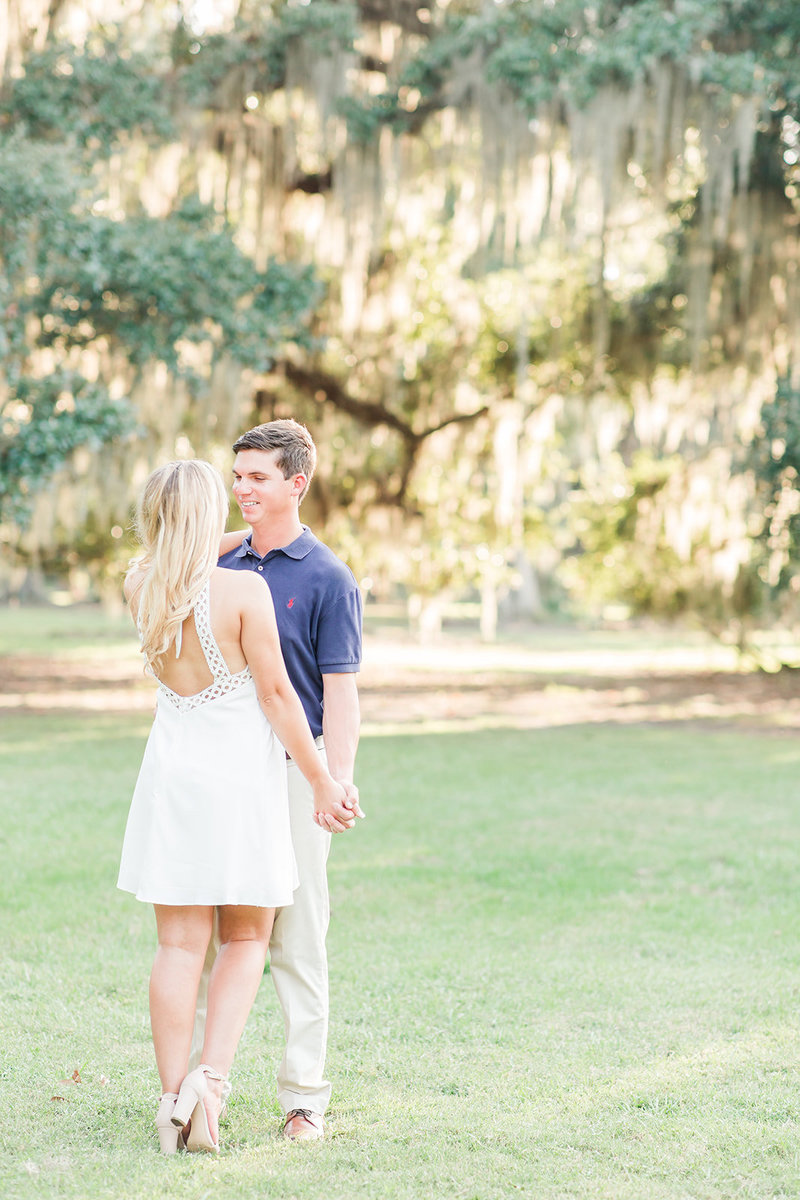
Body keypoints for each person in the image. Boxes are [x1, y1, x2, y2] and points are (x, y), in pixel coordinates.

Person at [117, 459, 355, 1155]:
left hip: (171, 779)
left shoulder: (141, 586)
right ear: (208, 515)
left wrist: (198, 535)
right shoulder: (245, 590)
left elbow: (174, 552)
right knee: (247, 939)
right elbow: (278, 698)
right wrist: (322, 779)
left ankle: (172, 1100)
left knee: (177, 945)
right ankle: (210, 1085)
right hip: (239, 781)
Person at [194, 417, 363, 1142]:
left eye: (258, 478)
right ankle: (201, 1091)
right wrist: (235, 538)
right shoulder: (221, 562)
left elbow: (341, 693)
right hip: (225, 771)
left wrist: (335, 781)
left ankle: (304, 1100)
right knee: (215, 934)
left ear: (298, 483)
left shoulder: (329, 578)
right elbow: (162, 558)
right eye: (237, 477)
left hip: (298, 771)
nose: (242, 489)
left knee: (298, 936)